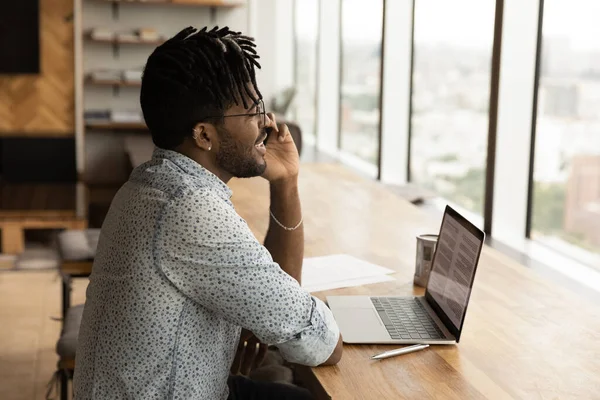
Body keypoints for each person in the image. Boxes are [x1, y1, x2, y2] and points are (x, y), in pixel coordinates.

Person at [73, 26, 343, 400]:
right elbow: (321, 344)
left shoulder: (153, 182)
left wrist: (285, 182)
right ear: (203, 135)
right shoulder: (190, 209)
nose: (268, 122)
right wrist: (288, 316)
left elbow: (282, 299)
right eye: (253, 111)